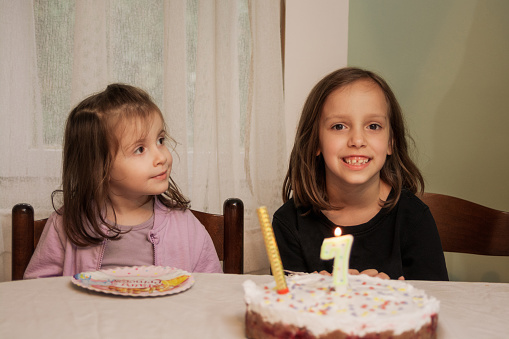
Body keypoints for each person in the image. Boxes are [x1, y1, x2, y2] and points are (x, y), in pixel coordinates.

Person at [24, 84, 222, 279]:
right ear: (99, 165)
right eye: (140, 149)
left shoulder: (186, 225)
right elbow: (38, 293)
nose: (161, 157)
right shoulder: (65, 224)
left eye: (160, 140)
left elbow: (212, 290)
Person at [272, 67, 448, 281]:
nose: (357, 140)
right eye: (339, 126)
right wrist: (317, 292)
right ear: (315, 142)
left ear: (391, 141)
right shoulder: (289, 222)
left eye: (373, 126)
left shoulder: (414, 218)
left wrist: (392, 297)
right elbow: (286, 305)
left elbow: (433, 302)